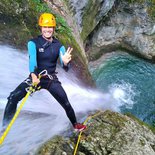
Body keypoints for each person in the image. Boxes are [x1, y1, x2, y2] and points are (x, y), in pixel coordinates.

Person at [2, 13, 86, 132]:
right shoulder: (33, 43)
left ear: (53, 28)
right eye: (45, 27)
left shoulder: (59, 46)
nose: (47, 30)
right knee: (12, 98)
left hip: (50, 80)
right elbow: (33, 59)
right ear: (41, 28)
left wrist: (66, 62)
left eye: (50, 27)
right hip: (35, 77)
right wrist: (33, 75)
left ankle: (76, 125)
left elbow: (65, 68)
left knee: (66, 103)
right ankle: (4, 128)